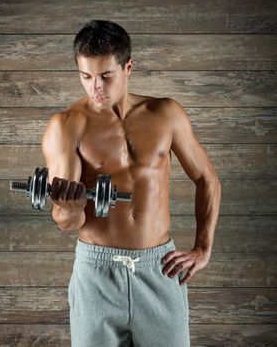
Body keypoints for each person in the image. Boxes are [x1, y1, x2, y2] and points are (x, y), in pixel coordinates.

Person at [42, 19, 221, 347]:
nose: (96, 87)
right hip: (97, 273)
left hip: (160, 270)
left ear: (128, 67)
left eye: (106, 76)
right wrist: (70, 209)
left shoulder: (166, 114)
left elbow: (206, 178)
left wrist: (203, 248)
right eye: (86, 76)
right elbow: (66, 221)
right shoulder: (66, 125)